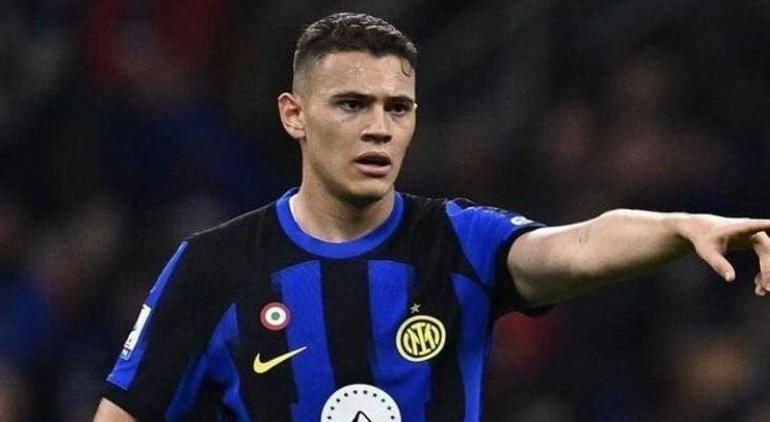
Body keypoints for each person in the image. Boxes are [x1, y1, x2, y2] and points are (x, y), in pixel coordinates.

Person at [93, 12, 770, 422]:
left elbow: (578, 247)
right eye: (352, 105)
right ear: (294, 115)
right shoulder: (215, 266)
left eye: (398, 108)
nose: (379, 128)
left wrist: (680, 228)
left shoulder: (457, 241)